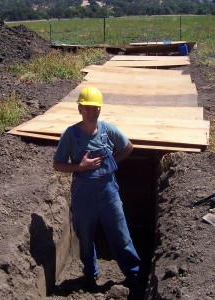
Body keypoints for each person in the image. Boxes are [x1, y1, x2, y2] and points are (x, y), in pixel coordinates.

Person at [52, 86, 141, 289]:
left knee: (120, 234)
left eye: (95, 108)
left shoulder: (108, 130)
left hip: (109, 191)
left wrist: (112, 162)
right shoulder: (70, 135)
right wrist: (79, 167)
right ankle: (90, 274)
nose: (92, 112)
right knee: (85, 236)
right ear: (80, 109)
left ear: (100, 110)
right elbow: (57, 164)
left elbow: (128, 147)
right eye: (87, 108)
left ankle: (133, 273)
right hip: (83, 194)